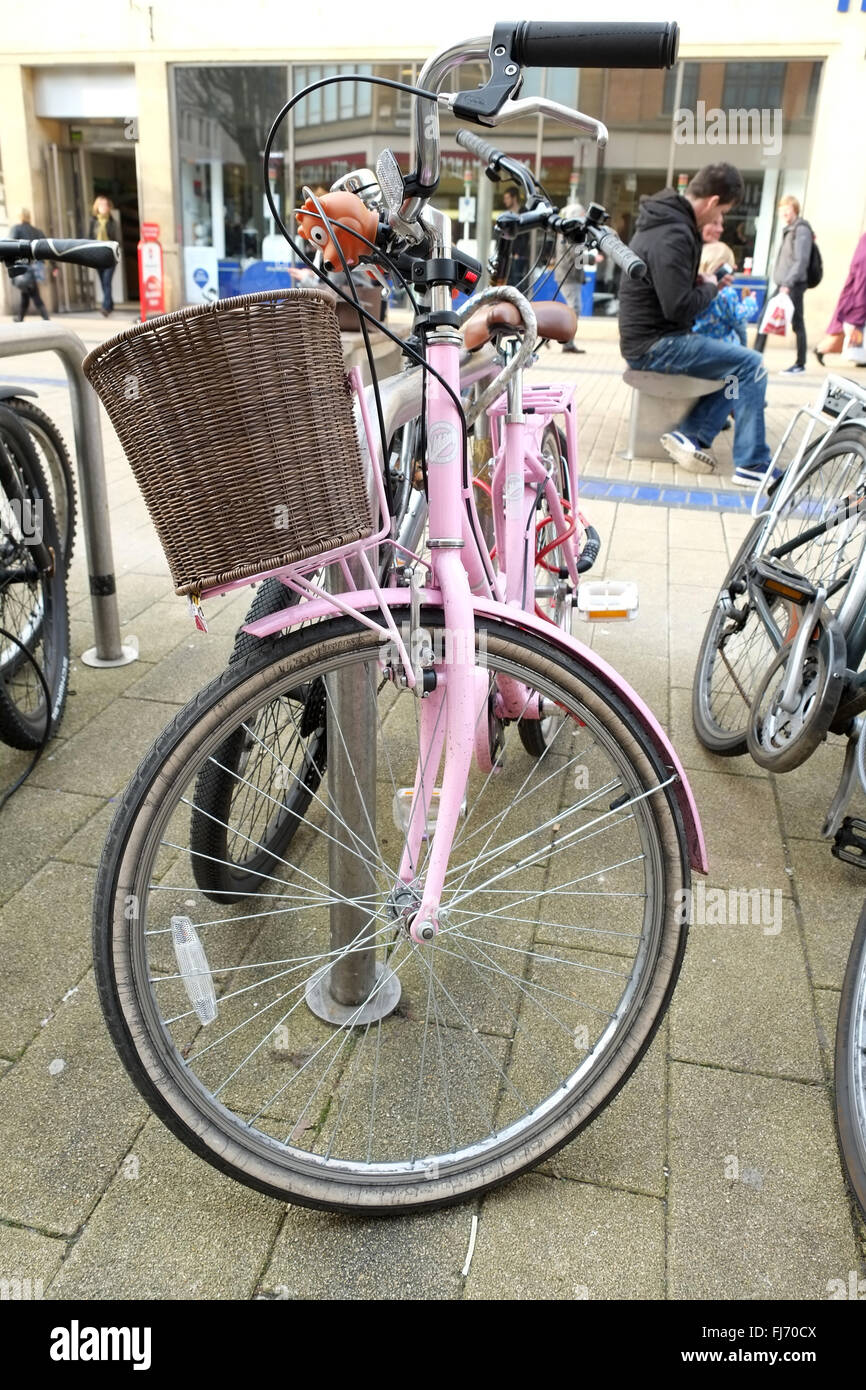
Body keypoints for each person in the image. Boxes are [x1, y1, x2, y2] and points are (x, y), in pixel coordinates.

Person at [619, 162, 775, 489]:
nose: (719, 222)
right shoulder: (674, 233)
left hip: (652, 339)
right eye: (723, 212)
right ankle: (752, 462)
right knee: (752, 364)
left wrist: (701, 281)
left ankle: (691, 434)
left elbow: (671, 289)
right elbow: (677, 308)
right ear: (712, 201)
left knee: (736, 366)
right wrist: (710, 286)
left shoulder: (665, 223)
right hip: (655, 345)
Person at [753, 195, 813, 374]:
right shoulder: (790, 229)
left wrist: (787, 283)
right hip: (785, 284)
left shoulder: (800, 229)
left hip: (792, 284)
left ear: (795, 209)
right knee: (768, 319)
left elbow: (801, 260)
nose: (784, 212)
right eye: (782, 208)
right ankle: (756, 359)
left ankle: (799, 363)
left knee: (795, 323)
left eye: (788, 208)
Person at [692, 242, 758, 348]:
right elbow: (738, 316)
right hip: (722, 347)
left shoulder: (694, 290)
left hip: (696, 345)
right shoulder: (726, 294)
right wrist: (750, 301)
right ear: (722, 267)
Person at [814, 233, 866, 366]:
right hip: (857, 294)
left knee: (845, 330)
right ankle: (821, 349)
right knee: (844, 331)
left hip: (857, 292)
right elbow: (861, 272)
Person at [9, 209, 50, 321]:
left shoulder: (16, 229)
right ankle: (20, 318)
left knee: (33, 293)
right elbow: (47, 249)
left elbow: (10, 247)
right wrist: (54, 265)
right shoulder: (37, 231)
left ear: (20, 217)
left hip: (24, 266)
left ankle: (46, 319)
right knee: (27, 292)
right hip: (36, 267)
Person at [88, 195, 120, 317]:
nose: (104, 207)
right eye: (101, 205)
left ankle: (106, 307)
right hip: (97, 255)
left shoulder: (112, 222)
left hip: (110, 255)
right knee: (103, 282)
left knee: (107, 281)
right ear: (97, 207)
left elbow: (118, 239)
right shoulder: (93, 221)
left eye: (106, 205)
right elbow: (89, 238)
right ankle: (110, 304)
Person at [501, 186, 530, 288]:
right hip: (508, 256)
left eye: (507, 198)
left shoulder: (524, 213)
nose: (505, 201)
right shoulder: (507, 215)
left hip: (519, 257)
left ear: (514, 198)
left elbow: (526, 236)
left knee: (518, 284)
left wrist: (518, 252)